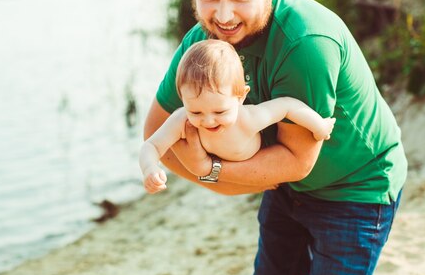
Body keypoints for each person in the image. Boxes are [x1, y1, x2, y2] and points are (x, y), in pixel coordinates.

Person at [143, 0, 408, 275]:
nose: (224, 15)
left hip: (356, 188)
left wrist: (205, 167)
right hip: (285, 192)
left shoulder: (305, 42)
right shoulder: (203, 45)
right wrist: (219, 171)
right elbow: (155, 132)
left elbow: (295, 161)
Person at [140, 39, 335, 194]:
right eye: (196, 112)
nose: (208, 121)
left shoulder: (249, 118)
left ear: (241, 97)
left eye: (220, 112)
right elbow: (151, 145)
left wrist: (319, 126)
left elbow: (287, 106)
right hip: (225, 171)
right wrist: (150, 167)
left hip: (259, 160)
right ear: (183, 99)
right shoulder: (182, 120)